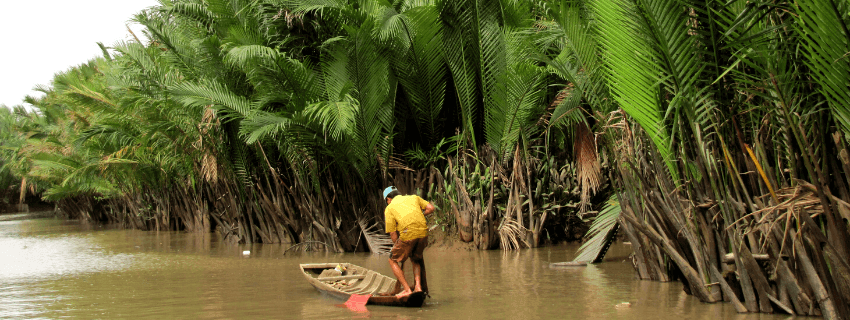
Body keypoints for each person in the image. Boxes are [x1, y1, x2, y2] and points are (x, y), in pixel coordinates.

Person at [382, 186, 434, 297]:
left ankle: (407, 290)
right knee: (415, 258)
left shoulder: (389, 208)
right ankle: (418, 287)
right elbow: (430, 208)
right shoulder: (414, 198)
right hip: (423, 232)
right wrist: (420, 215)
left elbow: (392, 233)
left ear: (388, 199)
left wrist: (398, 247)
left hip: (408, 234)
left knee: (392, 260)